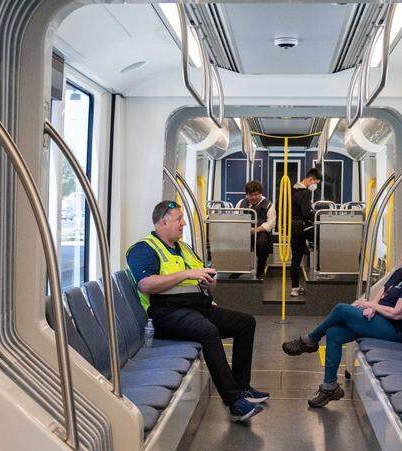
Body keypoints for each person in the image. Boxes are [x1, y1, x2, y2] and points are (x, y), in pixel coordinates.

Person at [126, 200, 270, 423]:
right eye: (178, 219)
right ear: (163, 222)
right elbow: (146, 284)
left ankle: (242, 388)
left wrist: (208, 282)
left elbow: (200, 276)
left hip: (197, 307)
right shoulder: (143, 249)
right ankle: (234, 402)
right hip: (165, 314)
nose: (183, 224)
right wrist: (186, 274)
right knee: (208, 331)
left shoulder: (183, 248)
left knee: (245, 323)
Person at [282, 234, 402, 408]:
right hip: (381, 320)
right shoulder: (400, 272)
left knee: (342, 309)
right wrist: (371, 307)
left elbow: (397, 314)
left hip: (396, 330)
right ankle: (329, 387)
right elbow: (381, 297)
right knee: (334, 333)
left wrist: (370, 305)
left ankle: (310, 340)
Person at [288, 167, 322, 296]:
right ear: (310, 179)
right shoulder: (305, 192)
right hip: (303, 227)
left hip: (293, 227)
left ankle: (294, 288)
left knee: (296, 258)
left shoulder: (292, 190)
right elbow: (306, 212)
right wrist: (318, 217)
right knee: (323, 242)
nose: (315, 186)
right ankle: (322, 271)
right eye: (316, 183)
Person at [235, 180, 276, 279]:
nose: (253, 197)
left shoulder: (269, 205)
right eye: (250, 195)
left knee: (262, 243)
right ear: (247, 194)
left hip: (261, 232)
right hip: (244, 231)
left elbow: (271, 223)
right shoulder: (241, 203)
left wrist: (255, 230)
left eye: (256, 194)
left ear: (260, 193)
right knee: (235, 241)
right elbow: (235, 217)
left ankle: (260, 269)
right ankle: (238, 269)